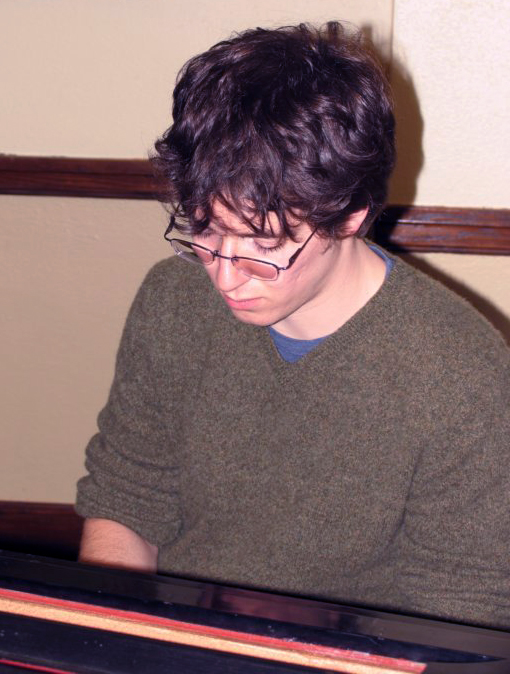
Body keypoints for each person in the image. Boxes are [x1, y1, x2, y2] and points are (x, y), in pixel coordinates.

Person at [76, 21, 510, 628]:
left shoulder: (462, 377)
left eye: (263, 244)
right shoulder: (172, 301)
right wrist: (111, 638)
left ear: (351, 215)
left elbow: (459, 609)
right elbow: (128, 500)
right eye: (203, 230)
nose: (226, 276)